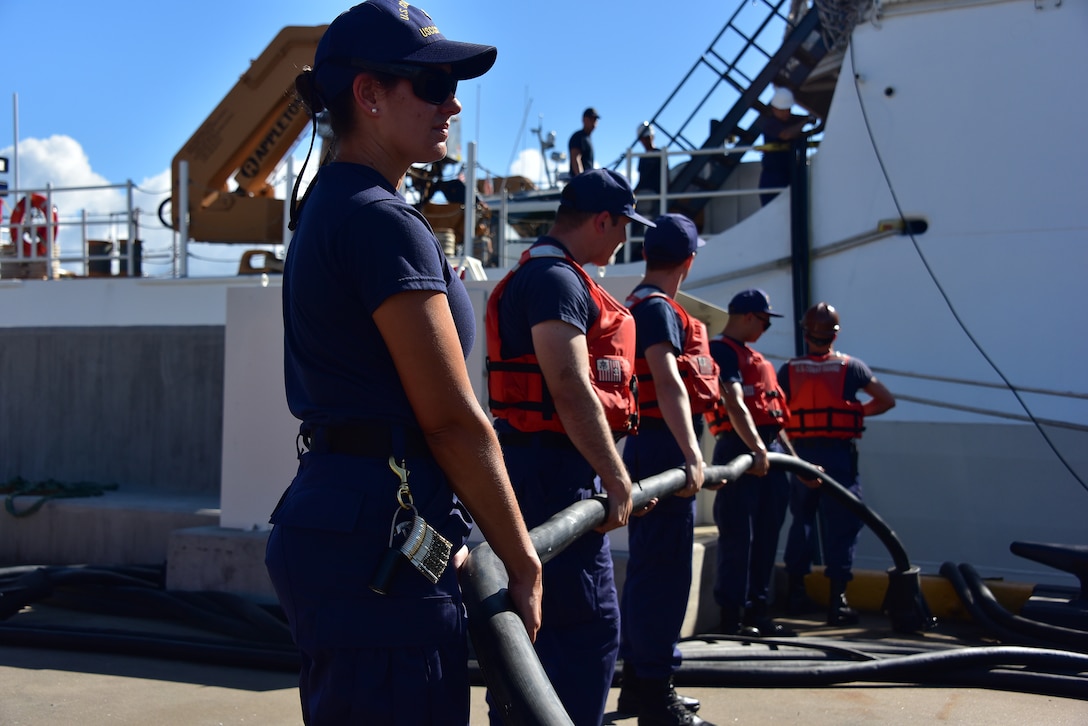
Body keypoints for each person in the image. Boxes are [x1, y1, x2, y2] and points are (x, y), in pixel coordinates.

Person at [265, 3, 542, 723]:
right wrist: (521, 559)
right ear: (368, 94)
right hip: (377, 533)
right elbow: (451, 419)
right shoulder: (383, 223)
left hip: (350, 516)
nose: (452, 103)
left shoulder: (334, 206)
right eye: (431, 84)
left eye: (453, 85)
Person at [485, 168, 655, 725]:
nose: (624, 239)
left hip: (545, 471)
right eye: (623, 226)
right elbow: (569, 385)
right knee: (584, 630)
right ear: (603, 219)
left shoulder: (550, 275)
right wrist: (614, 477)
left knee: (547, 632)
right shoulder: (557, 281)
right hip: (552, 478)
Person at [615, 213, 720, 726]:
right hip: (661, 451)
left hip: (647, 446)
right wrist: (693, 456)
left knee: (651, 570)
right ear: (689, 261)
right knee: (664, 574)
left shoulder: (637, 304)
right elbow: (669, 380)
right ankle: (656, 692)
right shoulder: (658, 310)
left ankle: (640, 683)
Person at [779, 302, 896, 624]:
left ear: (805, 333)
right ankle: (837, 601)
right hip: (838, 456)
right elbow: (886, 399)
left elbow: (777, 411)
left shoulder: (789, 369)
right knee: (842, 526)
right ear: (834, 334)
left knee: (801, 523)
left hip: (800, 455)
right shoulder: (852, 367)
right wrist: (856, 413)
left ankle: (796, 595)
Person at [704, 289, 795, 637]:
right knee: (738, 536)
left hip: (769, 453)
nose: (766, 328)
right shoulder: (722, 352)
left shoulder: (756, 359)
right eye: (765, 321)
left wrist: (796, 463)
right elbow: (734, 403)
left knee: (767, 536)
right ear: (747, 317)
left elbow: (776, 421)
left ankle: (758, 611)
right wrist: (756, 449)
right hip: (740, 452)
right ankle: (732, 618)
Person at [758, 87, 817, 207]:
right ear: (774, 109)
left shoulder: (791, 119)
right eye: (782, 110)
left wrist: (811, 120)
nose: (786, 113)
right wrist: (805, 121)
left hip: (790, 173)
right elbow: (786, 135)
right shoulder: (770, 124)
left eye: (788, 110)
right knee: (773, 210)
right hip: (773, 177)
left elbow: (808, 120)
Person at [568, 107, 600, 177]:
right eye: (591, 119)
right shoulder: (578, 137)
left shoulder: (588, 139)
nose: (594, 122)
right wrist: (581, 180)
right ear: (584, 120)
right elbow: (576, 159)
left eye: (595, 119)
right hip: (579, 184)